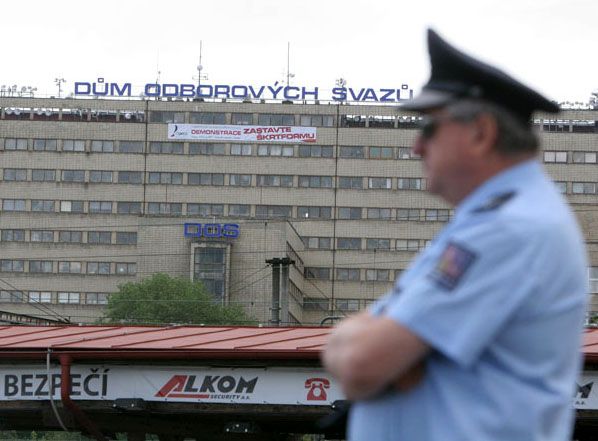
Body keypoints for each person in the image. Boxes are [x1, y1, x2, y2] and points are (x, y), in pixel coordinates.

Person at [322, 29, 588, 441]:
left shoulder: (508, 228)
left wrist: (375, 340)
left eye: (429, 129)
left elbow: (360, 364)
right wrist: (396, 353)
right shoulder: (496, 218)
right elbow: (375, 359)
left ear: (481, 134)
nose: (416, 147)